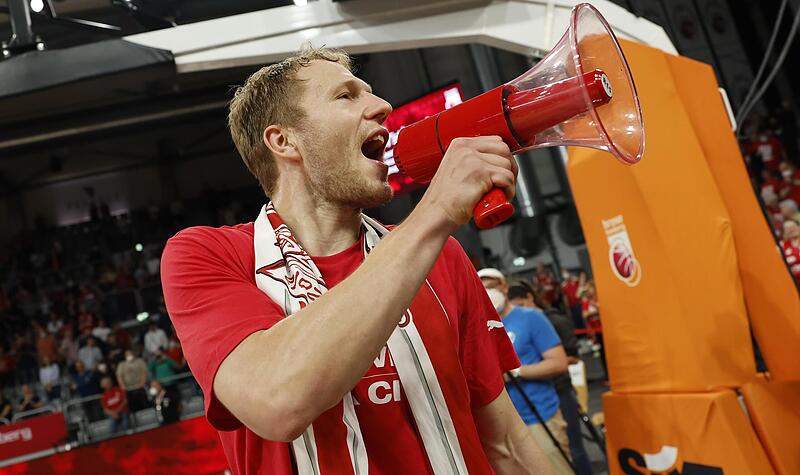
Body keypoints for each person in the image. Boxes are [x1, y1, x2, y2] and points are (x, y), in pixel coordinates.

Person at [161, 46, 551, 474]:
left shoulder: (441, 253)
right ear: (283, 140)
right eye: (346, 96)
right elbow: (277, 400)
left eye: (370, 92)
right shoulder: (206, 254)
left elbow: (506, 443)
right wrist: (435, 212)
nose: (383, 106)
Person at [478, 268, 572, 475]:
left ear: (504, 287)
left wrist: (515, 372)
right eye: (481, 288)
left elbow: (558, 363)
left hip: (540, 414)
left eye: (491, 286)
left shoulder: (530, 318)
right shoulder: (480, 328)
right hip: (503, 425)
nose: (487, 292)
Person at [507, 283, 593, 475]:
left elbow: (567, 357)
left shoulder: (545, 319)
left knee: (572, 451)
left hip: (556, 392)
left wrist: (516, 372)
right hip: (518, 411)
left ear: (530, 297)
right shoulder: (492, 324)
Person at [781, 220, 800, 284]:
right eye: (788, 228)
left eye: (793, 227)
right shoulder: (781, 247)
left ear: (798, 227)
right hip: (794, 283)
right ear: (785, 232)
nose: (791, 230)